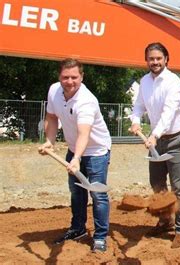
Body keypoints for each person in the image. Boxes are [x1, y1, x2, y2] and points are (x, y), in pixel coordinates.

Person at [38, 58, 111, 253]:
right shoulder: (54, 90)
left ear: (82, 77)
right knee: (77, 192)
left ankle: (100, 237)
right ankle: (78, 228)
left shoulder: (86, 101)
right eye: (65, 77)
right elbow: (52, 117)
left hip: (96, 151)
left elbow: (84, 133)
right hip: (74, 148)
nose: (69, 81)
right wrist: (50, 141)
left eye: (74, 77)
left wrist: (76, 158)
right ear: (59, 76)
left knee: (98, 194)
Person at [129, 42, 180, 249]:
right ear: (146, 60)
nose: (154, 62)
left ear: (166, 59)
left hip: (176, 139)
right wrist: (135, 120)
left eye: (158, 58)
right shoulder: (145, 81)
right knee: (157, 184)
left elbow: (168, 113)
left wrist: (154, 135)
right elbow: (138, 105)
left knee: (178, 187)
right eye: (151, 59)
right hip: (157, 139)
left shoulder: (174, 82)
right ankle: (165, 221)